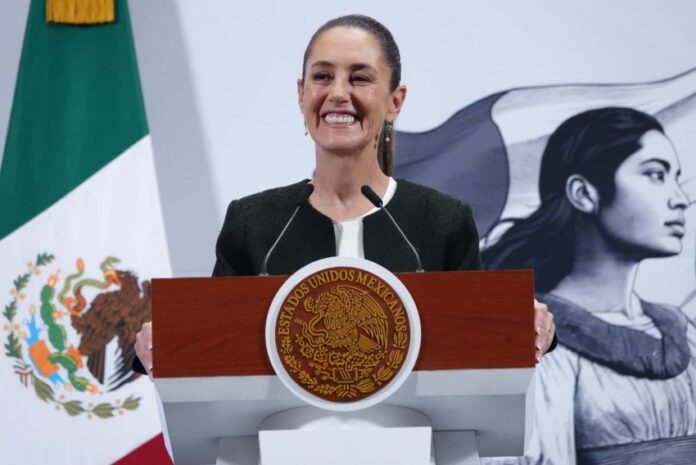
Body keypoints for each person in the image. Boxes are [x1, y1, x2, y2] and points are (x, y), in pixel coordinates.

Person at [134, 14, 555, 378]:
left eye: (359, 77)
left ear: (395, 101)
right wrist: (160, 341)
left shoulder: (441, 222)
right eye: (322, 76)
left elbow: (481, 338)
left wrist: (531, 328)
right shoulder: (255, 222)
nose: (338, 93)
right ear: (301, 94)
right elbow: (211, 341)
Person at [482, 107, 695, 464]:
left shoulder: (682, 331)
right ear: (583, 193)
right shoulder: (537, 336)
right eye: (656, 175)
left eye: (676, 178)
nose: (680, 199)